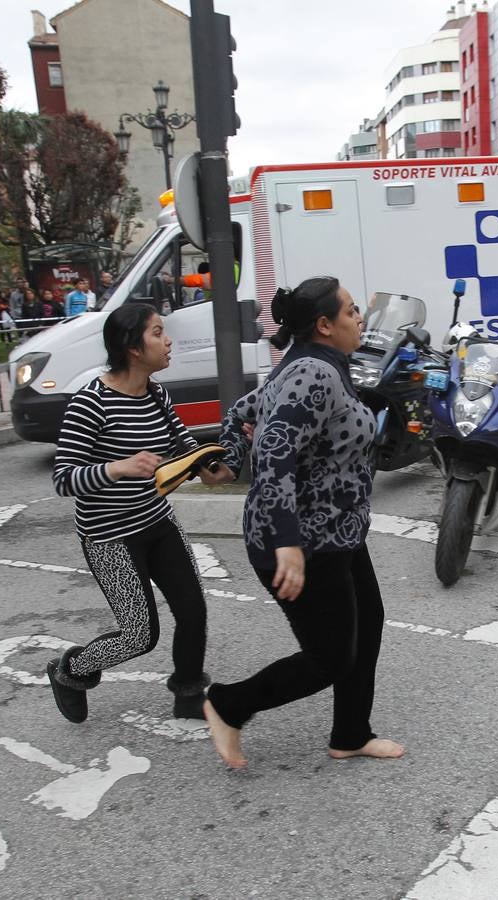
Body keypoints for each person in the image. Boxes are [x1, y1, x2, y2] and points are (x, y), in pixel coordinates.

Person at [200, 276, 405, 770]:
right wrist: (287, 543)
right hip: (304, 539)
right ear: (324, 325)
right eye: (352, 311)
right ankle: (228, 705)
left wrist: (229, 459)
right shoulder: (313, 372)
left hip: (337, 533)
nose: (360, 319)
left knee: (367, 625)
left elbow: (242, 413)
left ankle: (351, 733)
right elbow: (273, 450)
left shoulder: (310, 368)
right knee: (329, 658)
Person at [47, 302, 210, 724]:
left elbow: (183, 446)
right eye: (158, 333)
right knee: (140, 636)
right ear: (133, 349)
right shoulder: (92, 402)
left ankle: (189, 694)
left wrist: (211, 466)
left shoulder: (157, 393)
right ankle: (70, 671)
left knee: (193, 610)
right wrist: (116, 467)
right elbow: (64, 478)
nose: (168, 340)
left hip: (156, 520)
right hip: (109, 537)